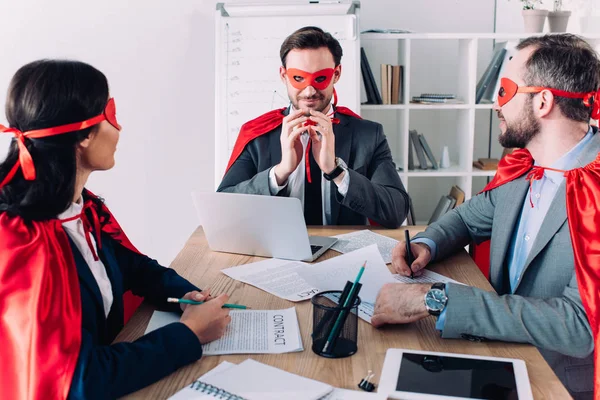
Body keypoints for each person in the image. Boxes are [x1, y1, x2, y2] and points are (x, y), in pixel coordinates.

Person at [371, 34, 600, 400]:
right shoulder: (523, 168)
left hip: (554, 381)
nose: (497, 104)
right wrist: (428, 245)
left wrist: (434, 299)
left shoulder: (596, 190)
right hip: (492, 354)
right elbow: (465, 218)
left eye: (506, 90)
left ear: (543, 102)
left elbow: (578, 326)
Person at [0, 60, 232, 400]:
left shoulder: (77, 208)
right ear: (82, 134)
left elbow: (130, 266)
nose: (119, 129)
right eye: (110, 114)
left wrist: (185, 295)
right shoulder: (24, 244)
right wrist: (189, 334)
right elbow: (79, 381)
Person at [217, 26, 409, 228]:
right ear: (283, 76)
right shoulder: (258, 134)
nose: (309, 91)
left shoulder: (368, 135)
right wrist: (280, 172)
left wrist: (336, 172)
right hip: (276, 253)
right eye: (298, 78)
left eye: (320, 78)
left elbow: (395, 212)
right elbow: (223, 210)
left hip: (345, 253)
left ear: (336, 74)